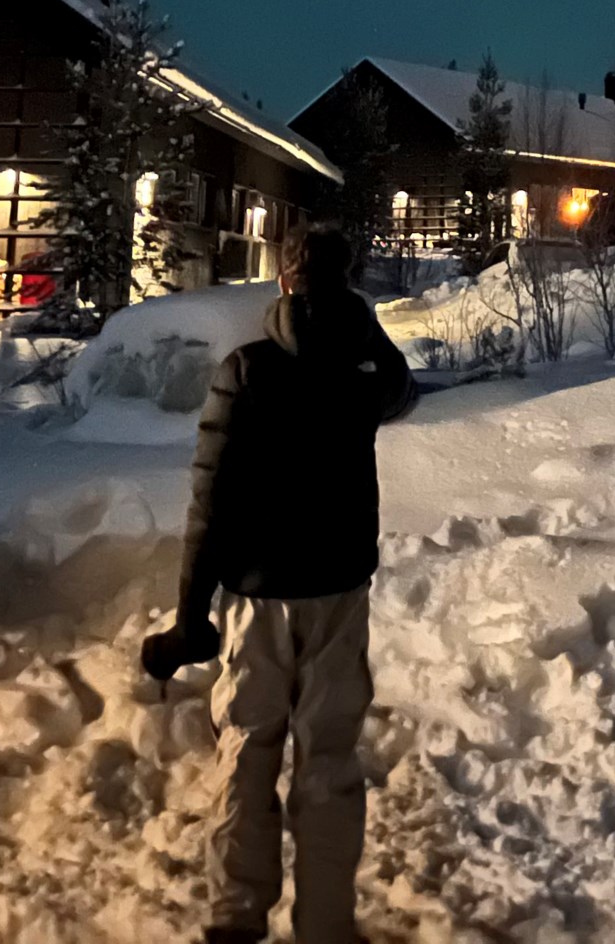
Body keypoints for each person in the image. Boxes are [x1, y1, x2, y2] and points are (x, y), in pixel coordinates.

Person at [142, 228, 417, 944]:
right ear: (346, 280)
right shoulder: (362, 369)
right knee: (328, 759)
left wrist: (189, 616)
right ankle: (326, 926)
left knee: (247, 751)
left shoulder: (249, 370)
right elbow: (402, 391)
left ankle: (235, 918)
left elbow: (211, 500)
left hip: (255, 597)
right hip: (338, 593)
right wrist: (360, 321)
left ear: (284, 279)